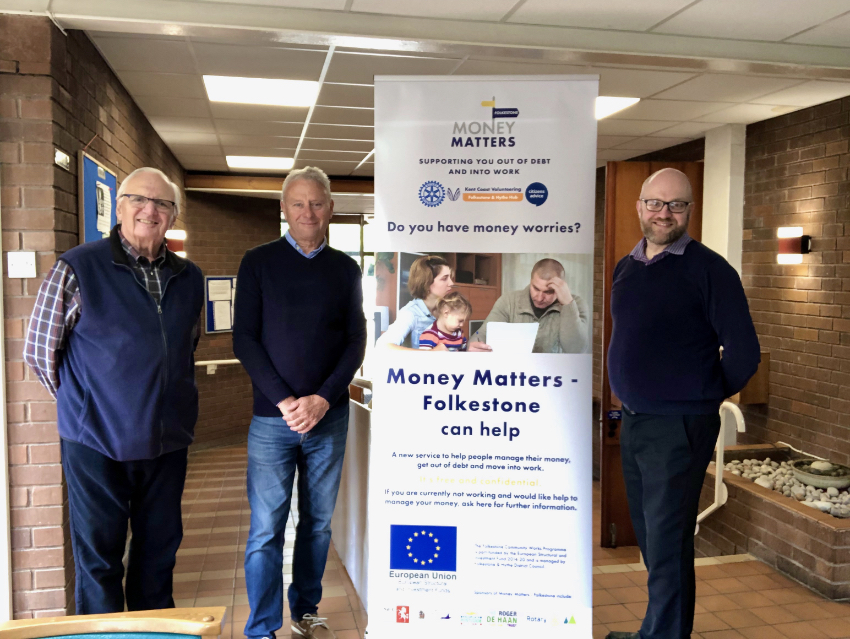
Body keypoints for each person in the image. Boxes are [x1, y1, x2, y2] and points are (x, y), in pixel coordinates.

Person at [23, 167, 203, 614]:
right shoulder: (78, 267)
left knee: (157, 560)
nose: (151, 210)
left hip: (166, 443)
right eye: (140, 200)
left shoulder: (189, 277)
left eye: (163, 204)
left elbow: (184, 351)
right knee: (100, 564)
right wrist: (86, 405)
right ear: (119, 206)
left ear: (173, 215)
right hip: (96, 443)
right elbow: (39, 352)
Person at [606, 168, 761, 639]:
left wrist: (700, 394)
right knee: (653, 538)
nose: (664, 213)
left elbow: (744, 354)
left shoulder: (710, 270)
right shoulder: (627, 266)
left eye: (676, 205)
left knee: (668, 541)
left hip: (678, 425)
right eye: (655, 203)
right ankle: (655, 630)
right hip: (634, 420)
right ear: (639, 206)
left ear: (690, 210)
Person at [233, 166, 367, 639]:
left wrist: (322, 400)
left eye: (317, 203)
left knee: (316, 525)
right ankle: (262, 626)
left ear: (330, 208)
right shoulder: (258, 262)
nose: (308, 212)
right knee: (266, 529)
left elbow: (356, 341)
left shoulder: (346, 269)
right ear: (284, 209)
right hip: (274, 420)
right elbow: (245, 340)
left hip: (328, 420)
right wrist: (289, 401)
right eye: (299, 203)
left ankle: (305, 612)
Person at [472, 258, 589, 353]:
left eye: (548, 292)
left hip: (555, 377)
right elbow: (482, 334)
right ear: (531, 280)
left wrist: (568, 304)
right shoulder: (508, 300)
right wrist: (473, 345)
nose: (539, 298)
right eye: (536, 288)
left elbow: (576, 350)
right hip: (514, 374)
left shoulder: (577, 305)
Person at [376, 254, 490, 352]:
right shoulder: (411, 313)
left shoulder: (450, 307)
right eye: (444, 278)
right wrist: (430, 353)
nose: (451, 283)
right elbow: (382, 347)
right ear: (427, 282)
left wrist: (469, 347)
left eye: (450, 277)